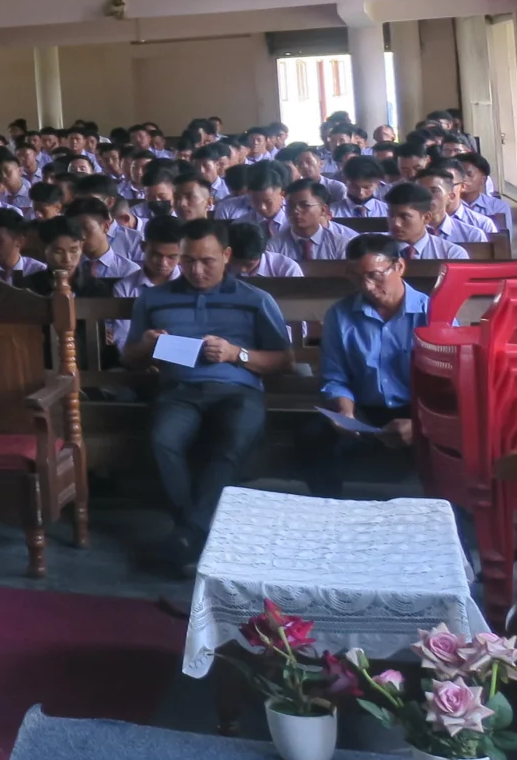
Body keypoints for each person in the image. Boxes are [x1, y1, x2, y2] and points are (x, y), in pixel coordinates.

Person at [123, 220, 292, 572]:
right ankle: (195, 532)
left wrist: (236, 354)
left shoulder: (255, 300)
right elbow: (130, 357)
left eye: (207, 261)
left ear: (227, 255)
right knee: (162, 440)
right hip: (180, 391)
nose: (196, 271)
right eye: (188, 261)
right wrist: (148, 346)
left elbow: (283, 360)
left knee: (231, 442)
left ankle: (187, 534)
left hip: (237, 391)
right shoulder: (153, 299)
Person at [296, 234, 427, 497]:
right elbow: (335, 375)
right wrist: (345, 412)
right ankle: (329, 512)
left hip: (419, 412)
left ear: (399, 267)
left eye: (375, 275)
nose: (366, 285)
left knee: (456, 442)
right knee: (311, 435)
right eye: (356, 277)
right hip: (363, 411)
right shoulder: (340, 314)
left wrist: (420, 424)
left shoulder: (432, 311)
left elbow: (452, 383)